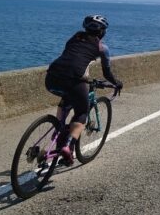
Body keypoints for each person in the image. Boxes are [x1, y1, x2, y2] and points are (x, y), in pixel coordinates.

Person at [45, 15, 123, 165]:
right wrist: (116, 83)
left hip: (51, 77)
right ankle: (67, 146)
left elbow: (72, 59)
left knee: (67, 98)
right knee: (82, 112)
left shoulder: (74, 38)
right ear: (102, 32)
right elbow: (107, 73)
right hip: (74, 80)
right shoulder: (102, 48)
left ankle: (58, 130)